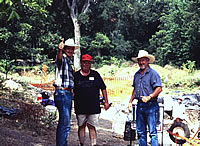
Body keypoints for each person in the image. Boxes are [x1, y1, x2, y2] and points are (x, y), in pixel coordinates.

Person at [74, 54, 110, 146]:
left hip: (93, 107)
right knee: (81, 126)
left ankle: (93, 144)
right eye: (84, 62)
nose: (86, 64)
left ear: (91, 64)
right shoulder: (76, 76)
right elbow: (71, 90)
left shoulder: (96, 75)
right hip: (80, 107)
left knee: (92, 126)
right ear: (81, 63)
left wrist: (106, 102)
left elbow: (103, 88)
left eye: (88, 63)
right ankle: (81, 143)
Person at [128, 50, 162, 146]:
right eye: (140, 60)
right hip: (140, 105)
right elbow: (135, 89)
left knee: (152, 132)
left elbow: (159, 88)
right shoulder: (137, 74)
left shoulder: (153, 74)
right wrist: (130, 101)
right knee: (140, 132)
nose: (141, 62)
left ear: (147, 61)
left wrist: (149, 97)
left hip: (151, 105)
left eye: (143, 60)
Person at [53, 38, 79, 146]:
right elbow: (58, 59)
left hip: (67, 93)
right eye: (68, 49)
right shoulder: (62, 59)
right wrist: (59, 50)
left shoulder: (69, 62)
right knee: (65, 124)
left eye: (71, 49)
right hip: (62, 93)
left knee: (64, 123)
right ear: (64, 50)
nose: (70, 51)